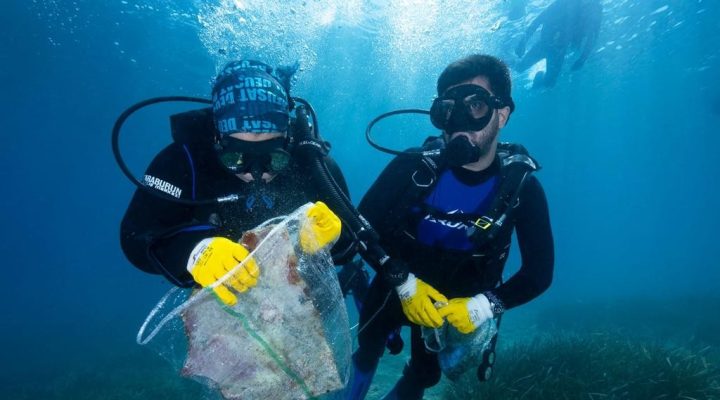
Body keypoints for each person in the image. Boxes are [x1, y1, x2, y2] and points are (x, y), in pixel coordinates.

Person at [346, 54, 554, 400]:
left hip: (457, 305)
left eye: (475, 106)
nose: (458, 122)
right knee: (369, 346)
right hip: (398, 284)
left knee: (425, 375)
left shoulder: (521, 189)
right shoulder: (413, 167)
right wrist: (402, 281)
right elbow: (359, 227)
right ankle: (366, 297)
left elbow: (539, 273)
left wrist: (484, 306)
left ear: (502, 115)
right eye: (448, 110)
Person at [120, 59, 356, 306]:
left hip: (299, 300)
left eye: (273, 159)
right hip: (226, 307)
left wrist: (335, 236)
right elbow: (135, 237)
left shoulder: (312, 163)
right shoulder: (183, 161)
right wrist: (193, 253)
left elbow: (353, 243)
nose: (256, 174)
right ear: (217, 139)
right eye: (236, 158)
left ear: (288, 141)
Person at [515, 0, 602, 88]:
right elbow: (539, 20)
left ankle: (539, 77)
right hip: (545, 45)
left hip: (558, 51)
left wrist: (583, 59)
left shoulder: (594, 12)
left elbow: (592, 37)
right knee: (520, 68)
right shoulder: (563, 3)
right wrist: (522, 42)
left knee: (549, 84)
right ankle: (536, 75)